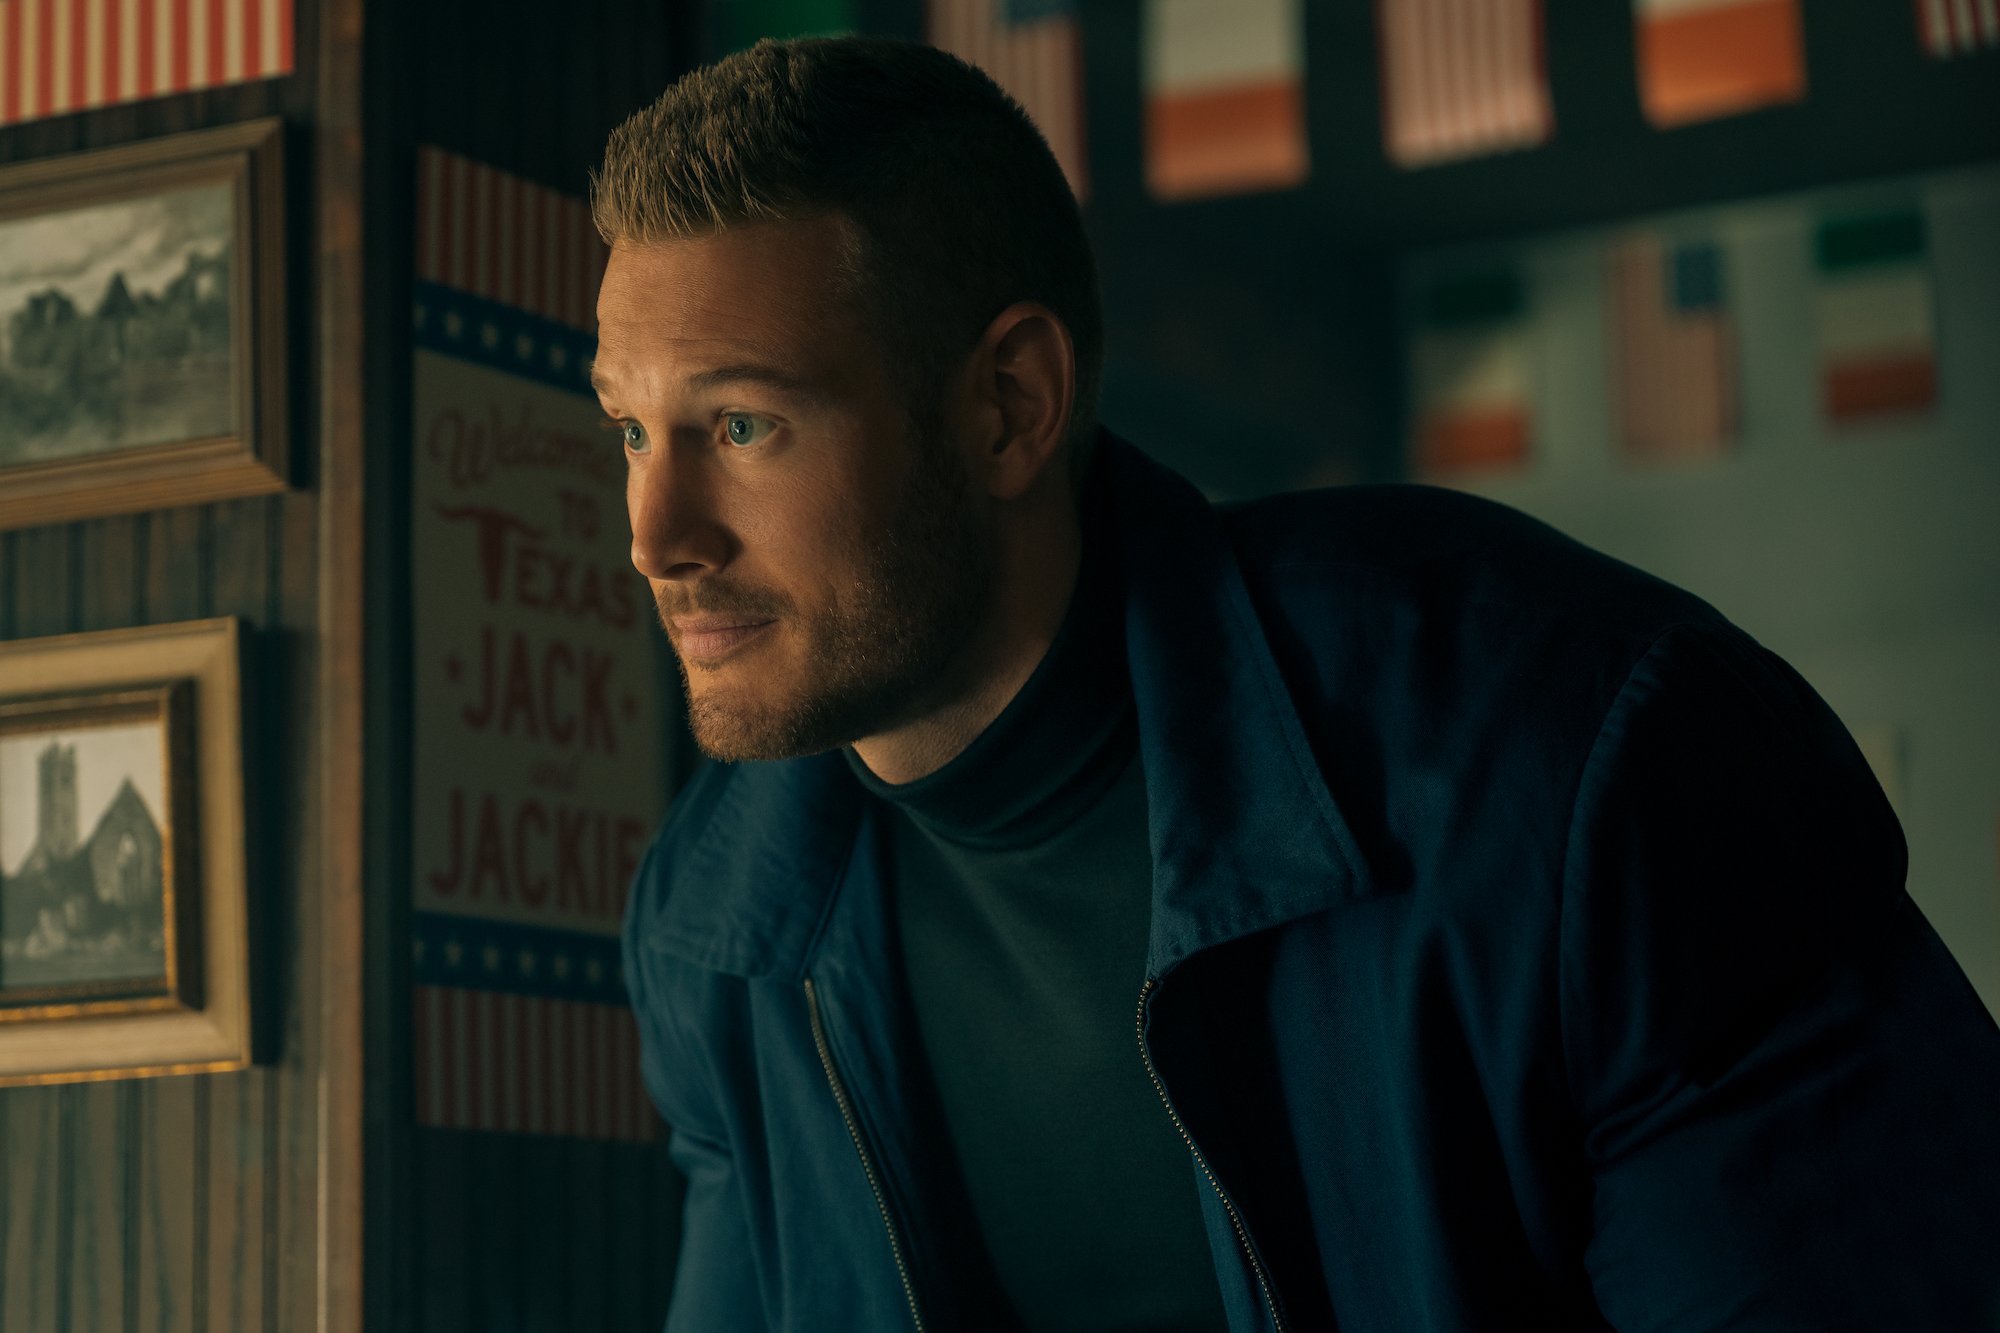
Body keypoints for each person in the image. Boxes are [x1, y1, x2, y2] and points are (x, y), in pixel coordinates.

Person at [594, 35, 2000, 1333]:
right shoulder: (713, 922)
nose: (657, 536)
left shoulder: (1576, 759)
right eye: (633, 431)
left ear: (1009, 405)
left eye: (741, 423)